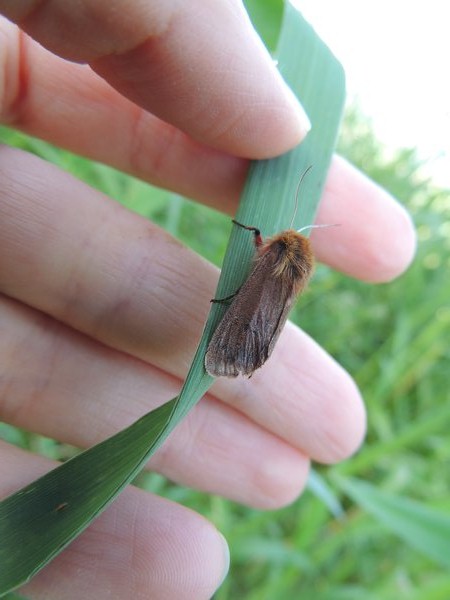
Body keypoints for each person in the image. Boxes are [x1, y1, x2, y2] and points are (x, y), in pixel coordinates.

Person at [0, 1, 416, 598]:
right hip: (250, 322)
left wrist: (252, 272)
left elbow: (260, 276)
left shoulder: (278, 254)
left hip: (245, 319)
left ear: (280, 245)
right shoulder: (286, 257)